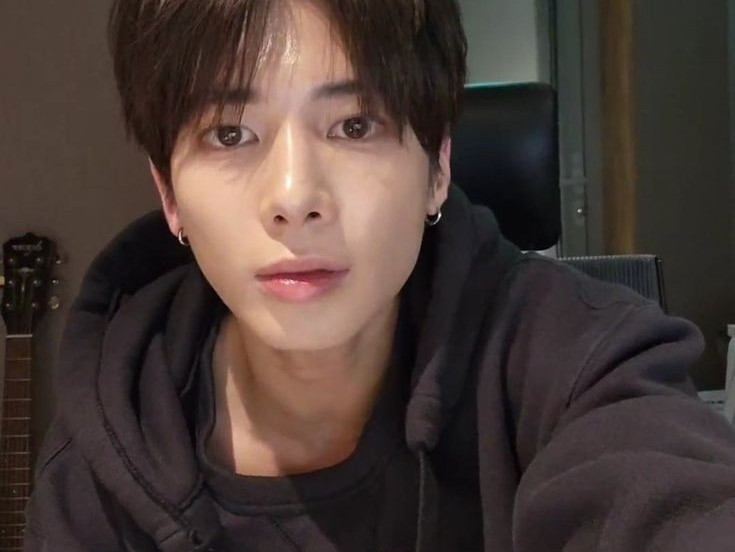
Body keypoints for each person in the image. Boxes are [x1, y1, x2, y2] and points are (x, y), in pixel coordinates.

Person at [23, 0, 735, 551]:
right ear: (170, 196)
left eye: (355, 125)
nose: (294, 197)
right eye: (230, 133)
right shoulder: (99, 467)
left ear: (437, 166)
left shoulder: (579, 361)